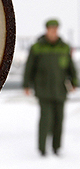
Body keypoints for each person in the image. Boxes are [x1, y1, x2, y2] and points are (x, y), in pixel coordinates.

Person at [23, 19, 78, 156]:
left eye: (55, 29)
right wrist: (26, 84)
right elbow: (29, 67)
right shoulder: (37, 47)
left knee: (59, 120)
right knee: (46, 119)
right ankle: (42, 148)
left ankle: (56, 147)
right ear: (46, 30)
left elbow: (71, 67)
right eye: (51, 29)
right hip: (44, 89)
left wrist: (75, 82)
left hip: (60, 89)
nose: (53, 31)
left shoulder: (64, 47)